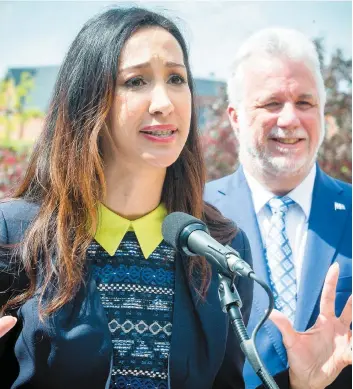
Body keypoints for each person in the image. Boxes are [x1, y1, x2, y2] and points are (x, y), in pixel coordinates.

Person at [0, 9, 350, 389]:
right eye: (136, 81)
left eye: (176, 78)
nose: (163, 102)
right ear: (87, 99)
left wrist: (304, 385)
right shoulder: (16, 233)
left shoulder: (220, 246)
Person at [205, 27, 352, 389]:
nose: (290, 119)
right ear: (235, 116)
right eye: (272, 103)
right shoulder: (193, 216)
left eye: (305, 103)